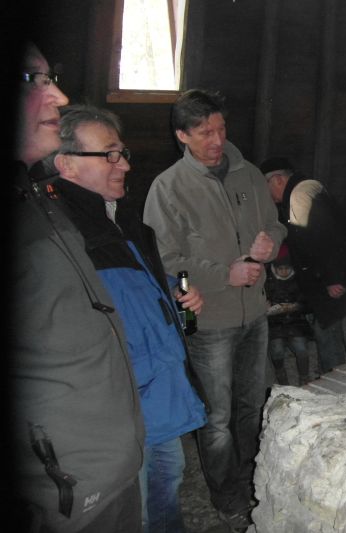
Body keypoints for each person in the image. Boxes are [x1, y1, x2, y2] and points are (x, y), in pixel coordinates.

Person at [50, 105, 208, 532]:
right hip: (119, 405)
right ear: (66, 163)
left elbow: (134, 290)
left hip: (157, 391)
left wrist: (176, 289)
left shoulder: (119, 219)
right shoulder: (58, 231)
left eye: (123, 152)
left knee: (167, 484)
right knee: (130, 510)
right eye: (110, 155)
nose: (125, 165)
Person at [12, 43, 145, 532]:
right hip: (64, 487)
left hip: (113, 456)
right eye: (35, 80)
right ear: (67, 166)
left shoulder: (45, 207)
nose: (58, 96)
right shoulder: (66, 217)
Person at [143, 89, 286, 531]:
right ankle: (226, 497)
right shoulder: (168, 188)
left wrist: (271, 243)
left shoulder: (248, 175)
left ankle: (251, 480)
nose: (216, 139)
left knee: (251, 405)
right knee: (217, 417)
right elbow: (165, 260)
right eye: (205, 132)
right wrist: (225, 273)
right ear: (182, 135)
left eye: (221, 129)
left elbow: (275, 223)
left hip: (255, 314)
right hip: (210, 323)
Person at [260, 157, 346, 374]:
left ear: (277, 180)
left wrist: (332, 278)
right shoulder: (301, 193)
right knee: (329, 336)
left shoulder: (300, 195)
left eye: (265, 187)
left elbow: (323, 236)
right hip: (334, 281)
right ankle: (338, 386)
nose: (267, 196)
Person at [265, 243, 316, 385]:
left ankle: (304, 378)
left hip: (295, 322)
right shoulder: (268, 282)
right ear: (275, 268)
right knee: (277, 352)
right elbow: (261, 300)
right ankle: (282, 379)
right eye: (281, 269)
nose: (284, 272)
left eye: (287, 268)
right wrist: (266, 305)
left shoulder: (298, 280)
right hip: (275, 325)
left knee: (301, 349)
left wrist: (296, 306)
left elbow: (307, 303)